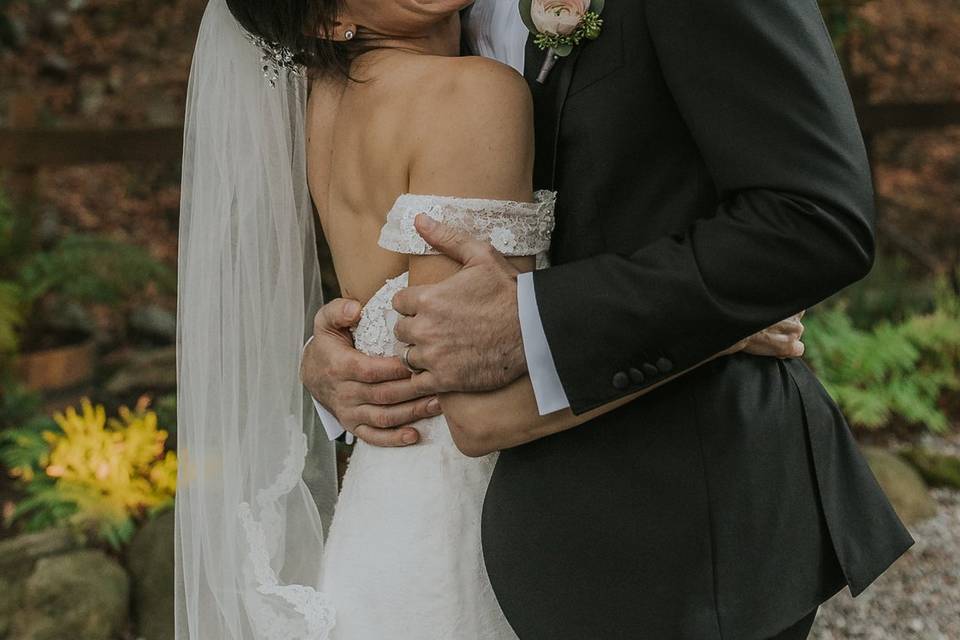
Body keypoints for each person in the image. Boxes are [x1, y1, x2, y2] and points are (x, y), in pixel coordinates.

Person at [300, 1, 914, 639]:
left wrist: (538, 321)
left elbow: (815, 218)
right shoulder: (418, 51)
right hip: (477, 530)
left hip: (676, 526)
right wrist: (338, 359)